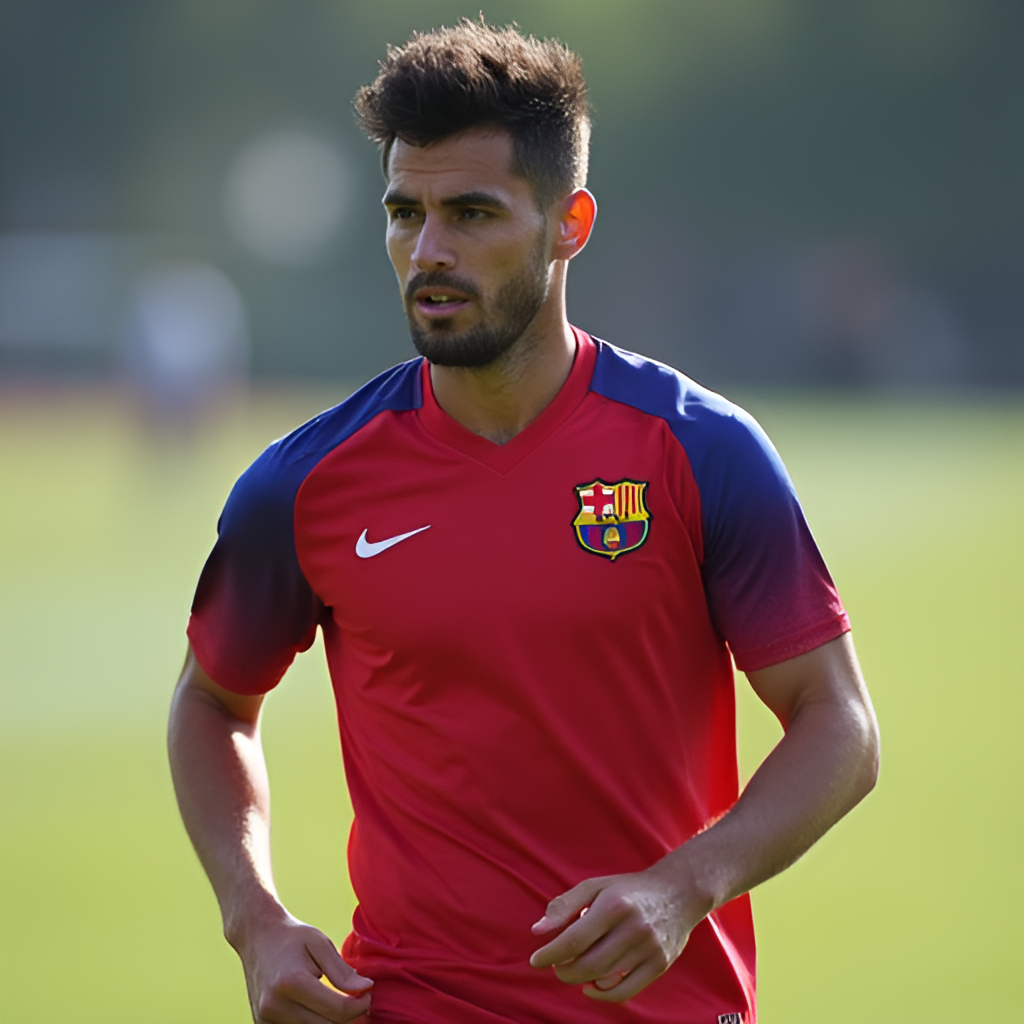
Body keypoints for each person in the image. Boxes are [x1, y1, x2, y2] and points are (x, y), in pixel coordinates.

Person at [168, 19, 879, 1024]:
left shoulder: (699, 449)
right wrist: (255, 917)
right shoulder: (304, 483)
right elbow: (210, 704)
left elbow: (840, 724)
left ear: (570, 222)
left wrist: (685, 884)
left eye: (471, 213)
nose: (429, 251)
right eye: (404, 212)